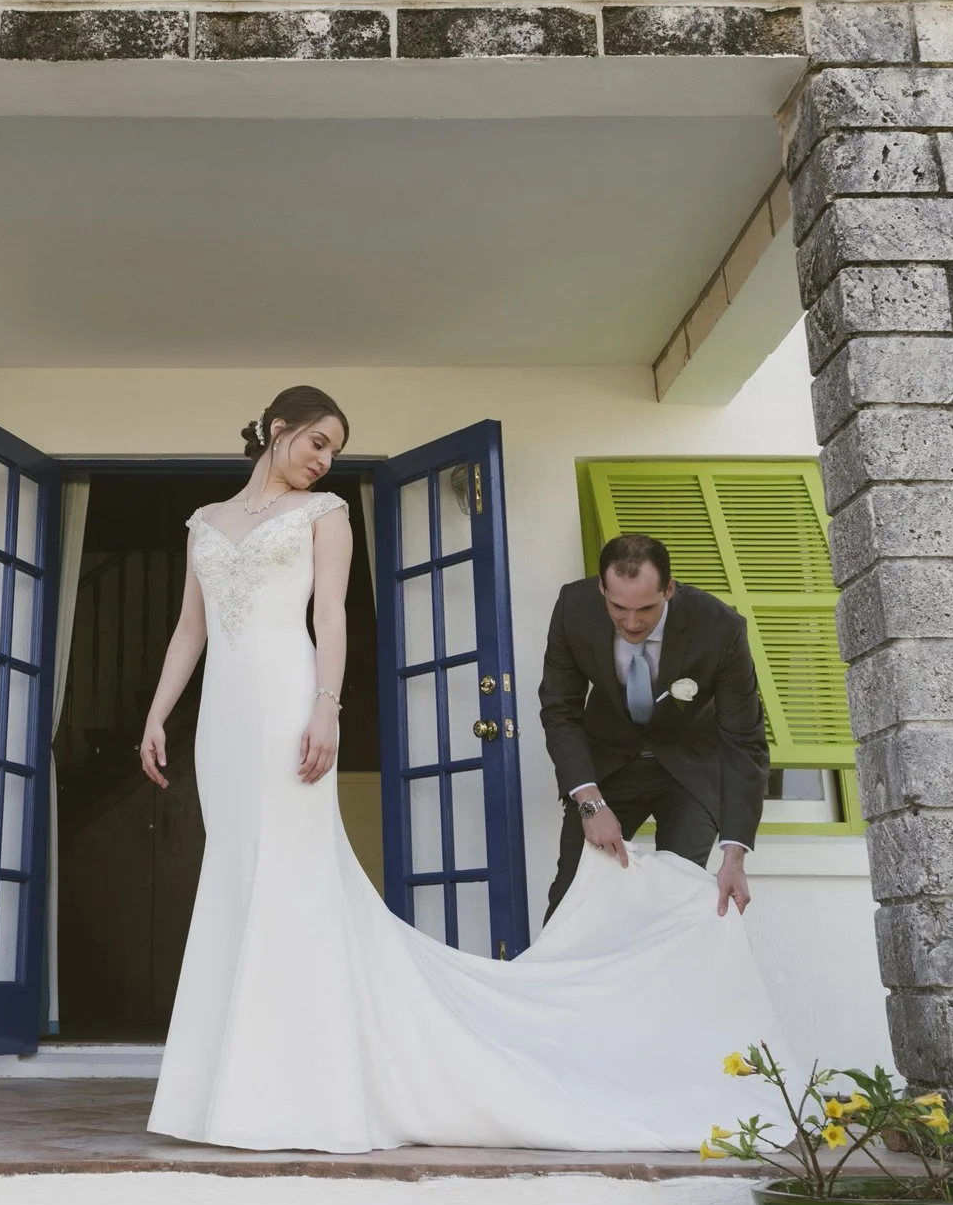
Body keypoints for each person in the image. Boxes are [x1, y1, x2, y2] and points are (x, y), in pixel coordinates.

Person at [135, 386, 781, 1154]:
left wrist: (327, 706)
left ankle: (305, 1083)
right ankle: (226, 1087)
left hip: (286, 702)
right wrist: (157, 713)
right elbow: (188, 628)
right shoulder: (202, 525)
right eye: (318, 443)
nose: (325, 460)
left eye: (335, 450)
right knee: (236, 876)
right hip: (222, 723)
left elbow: (333, 618)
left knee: (292, 879)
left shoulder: (327, 516)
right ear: (278, 430)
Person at [538, 535, 770, 920]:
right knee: (573, 895)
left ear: (670, 589)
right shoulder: (573, 609)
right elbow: (560, 710)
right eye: (618, 607)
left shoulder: (720, 628)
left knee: (675, 899)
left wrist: (734, 856)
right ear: (602, 589)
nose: (631, 622)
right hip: (607, 765)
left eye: (646, 608)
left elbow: (744, 740)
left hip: (688, 768)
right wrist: (590, 802)